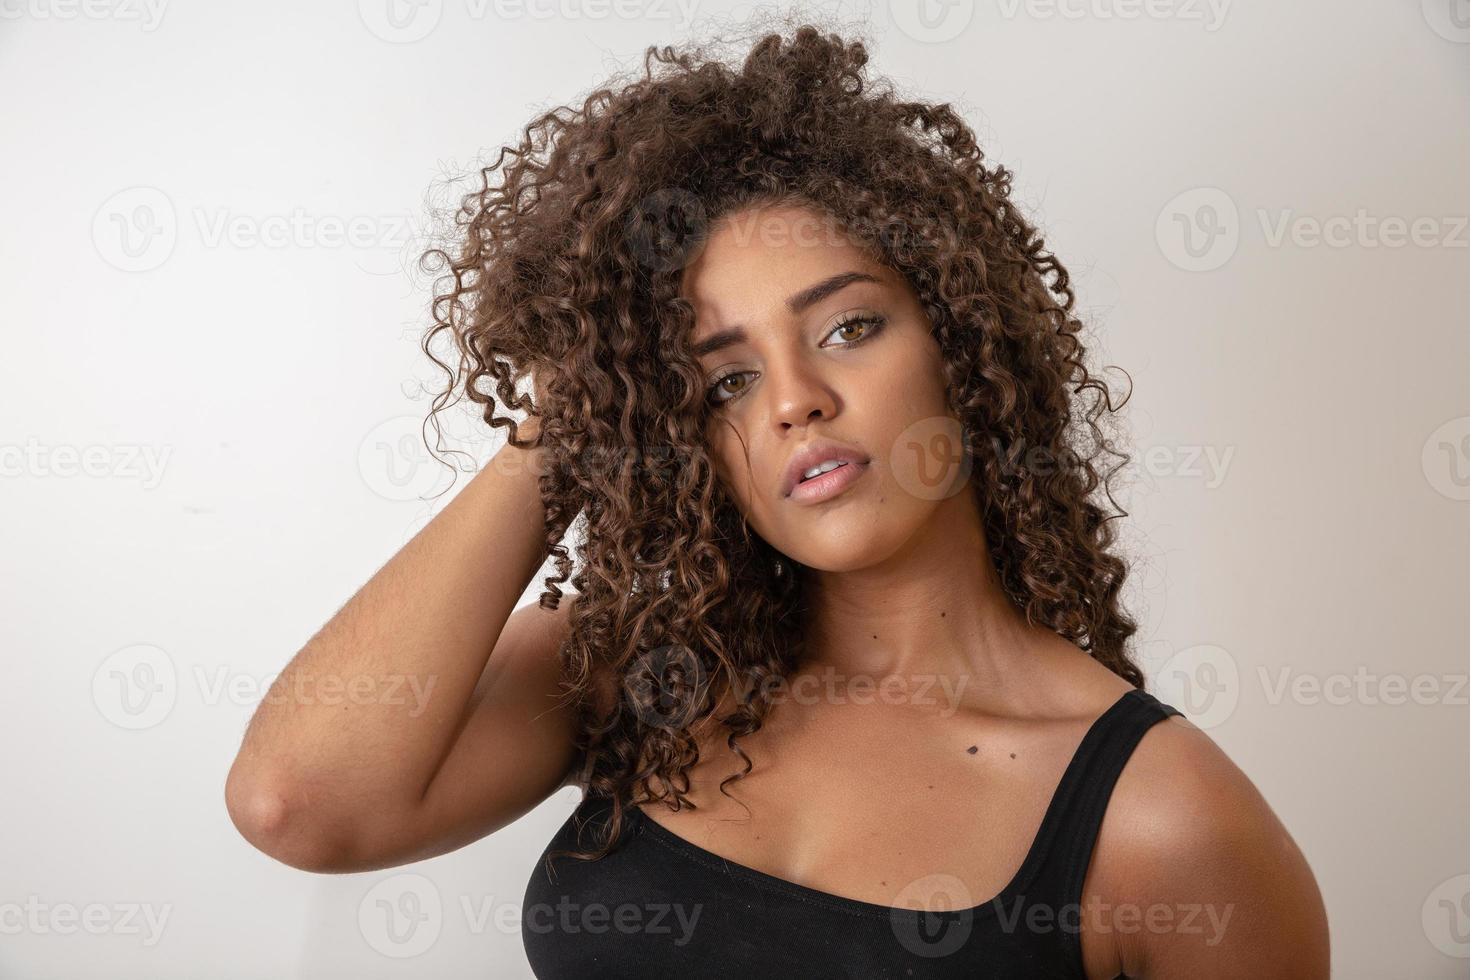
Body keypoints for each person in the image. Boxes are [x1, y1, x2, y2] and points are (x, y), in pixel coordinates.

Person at [226, 17, 1329, 978]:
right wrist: (570, 423)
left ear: (961, 340)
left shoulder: (1162, 819)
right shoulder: (641, 674)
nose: (796, 400)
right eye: (726, 378)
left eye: (849, 327)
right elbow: (299, 803)